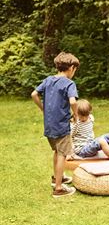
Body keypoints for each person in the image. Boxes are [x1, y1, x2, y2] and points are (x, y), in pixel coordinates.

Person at [31, 52, 80, 198]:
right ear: (71, 68)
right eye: (75, 70)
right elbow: (73, 101)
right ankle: (59, 188)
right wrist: (76, 114)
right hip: (61, 125)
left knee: (56, 151)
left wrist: (43, 109)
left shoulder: (48, 80)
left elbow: (34, 94)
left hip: (49, 124)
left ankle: (57, 177)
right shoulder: (69, 83)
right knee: (62, 154)